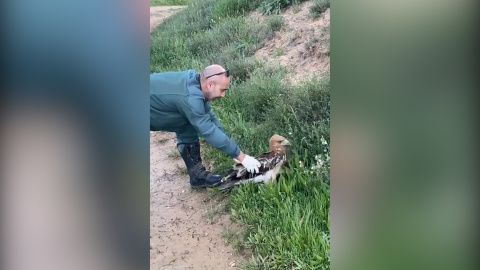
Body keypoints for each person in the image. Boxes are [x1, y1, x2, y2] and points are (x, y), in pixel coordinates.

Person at [150, 65, 261, 188]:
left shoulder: (196, 85)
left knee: (187, 123)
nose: (223, 95)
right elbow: (208, 130)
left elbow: (210, 119)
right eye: (222, 90)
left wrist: (233, 151)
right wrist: (242, 157)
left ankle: (197, 176)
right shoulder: (191, 98)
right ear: (210, 85)